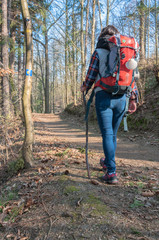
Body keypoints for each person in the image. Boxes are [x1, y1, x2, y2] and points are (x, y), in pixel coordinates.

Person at [81, 25, 138, 184]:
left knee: (107, 134)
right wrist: (133, 99)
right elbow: (131, 77)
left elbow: (91, 75)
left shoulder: (98, 51)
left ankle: (111, 173)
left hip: (103, 96)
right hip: (121, 97)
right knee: (112, 134)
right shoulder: (125, 52)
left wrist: (85, 86)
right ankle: (107, 163)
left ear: (102, 36)